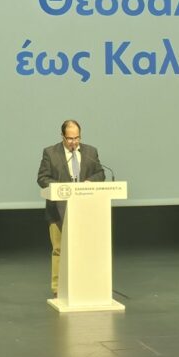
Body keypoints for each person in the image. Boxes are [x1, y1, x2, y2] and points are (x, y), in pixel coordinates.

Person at [36, 119, 105, 296]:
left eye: (77, 138)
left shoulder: (90, 152)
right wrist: (62, 188)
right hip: (58, 210)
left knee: (85, 249)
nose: (74, 142)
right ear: (62, 136)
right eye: (70, 139)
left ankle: (85, 285)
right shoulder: (50, 153)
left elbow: (100, 173)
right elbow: (42, 178)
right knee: (59, 249)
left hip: (85, 209)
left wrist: (90, 181)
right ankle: (57, 288)